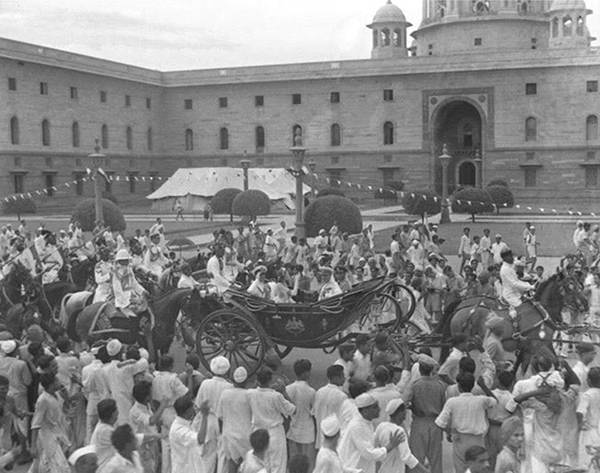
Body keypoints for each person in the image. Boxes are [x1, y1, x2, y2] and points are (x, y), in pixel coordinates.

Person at [435, 372, 497, 473]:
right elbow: (495, 401)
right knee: (479, 468)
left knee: (460, 468)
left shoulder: (452, 402)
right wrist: (484, 387)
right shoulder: (481, 400)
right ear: (473, 386)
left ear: (459, 387)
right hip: (478, 440)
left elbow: (440, 423)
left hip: (460, 440)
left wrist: (450, 432)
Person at [338, 393, 403, 473]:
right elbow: (368, 453)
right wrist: (389, 447)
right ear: (365, 411)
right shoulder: (357, 426)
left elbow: (370, 442)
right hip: (354, 468)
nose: (379, 409)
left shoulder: (367, 423)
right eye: (375, 407)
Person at [248, 367, 296, 473]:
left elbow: (252, 389)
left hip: (258, 432)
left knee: (260, 465)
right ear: (270, 380)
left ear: (257, 380)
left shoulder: (251, 393)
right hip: (275, 433)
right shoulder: (276, 396)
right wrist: (283, 391)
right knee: (278, 466)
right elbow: (292, 410)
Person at [193, 355, 232, 473]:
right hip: (222, 422)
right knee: (222, 455)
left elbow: (198, 404)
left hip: (207, 420)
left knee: (206, 456)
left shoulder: (205, 384)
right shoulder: (229, 386)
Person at [406, 358, 445, 473]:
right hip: (436, 423)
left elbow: (406, 402)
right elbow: (443, 406)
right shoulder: (440, 385)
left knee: (417, 458)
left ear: (420, 370)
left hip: (419, 422)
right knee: (436, 459)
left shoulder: (415, 385)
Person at [151, 355, 189, 473]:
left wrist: (157, 414)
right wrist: (190, 378)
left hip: (161, 412)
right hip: (172, 412)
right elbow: (186, 394)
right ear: (171, 366)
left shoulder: (155, 379)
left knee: (165, 444)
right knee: (177, 446)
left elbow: (153, 400)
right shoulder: (173, 379)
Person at [374, 398, 428, 473]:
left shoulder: (381, 426)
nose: (405, 415)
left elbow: (375, 447)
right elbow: (406, 457)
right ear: (400, 413)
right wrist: (425, 471)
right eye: (404, 412)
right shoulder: (399, 430)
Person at [30, 373, 70, 473]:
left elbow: (65, 407)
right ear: (51, 384)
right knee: (60, 466)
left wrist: (66, 395)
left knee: (47, 464)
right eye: (57, 381)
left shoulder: (57, 395)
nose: (59, 382)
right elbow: (35, 424)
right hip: (48, 436)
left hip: (58, 432)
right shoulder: (43, 400)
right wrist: (33, 445)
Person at [217, 367, 252, 473]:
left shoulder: (225, 394)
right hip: (246, 435)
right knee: (248, 465)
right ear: (246, 381)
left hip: (229, 434)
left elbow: (220, 417)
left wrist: (221, 433)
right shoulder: (249, 395)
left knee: (231, 463)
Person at [130, 381, 168, 473]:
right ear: (147, 397)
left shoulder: (146, 405)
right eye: (151, 393)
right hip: (143, 447)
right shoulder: (135, 411)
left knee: (155, 466)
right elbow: (151, 421)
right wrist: (163, 405)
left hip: (152, 443)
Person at [285, 359, 316, 470]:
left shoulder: (288, 389)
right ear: (306, 373)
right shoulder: (311, 391)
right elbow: (314, 411)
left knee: (295, 459)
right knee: (307, 460)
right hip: (307, 429)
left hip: (293, 427)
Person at [169, 394, 209, 473]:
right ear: (187, 412)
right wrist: (205, 416)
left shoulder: (186, 422)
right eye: (192, 408)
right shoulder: (178, 430)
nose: (194, 410)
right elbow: (200, 439)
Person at [312, 365, 348, 449]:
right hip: (335, 438)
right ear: (335, 377)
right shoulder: (342, 396)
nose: (344, 378)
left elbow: (314, 414)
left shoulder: (319, 392)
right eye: (342, 376)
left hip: (321, 435)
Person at [577, 366, 600, 469]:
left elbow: (580, 412)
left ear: (588, 381)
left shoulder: (587, 395)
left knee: (587, 462)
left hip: (590, 431)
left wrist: (579, 424)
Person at [499, 249, 534, 313]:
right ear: (504, 258)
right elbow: (515, 284)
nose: (512, 258)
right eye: (510, 256)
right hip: (510, 296)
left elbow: (517, 280)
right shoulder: (505, 269)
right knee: (524, 310)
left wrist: (529, 285)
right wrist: (531, 287)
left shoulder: (510, 265)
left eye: (512, 255)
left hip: (516, 293)